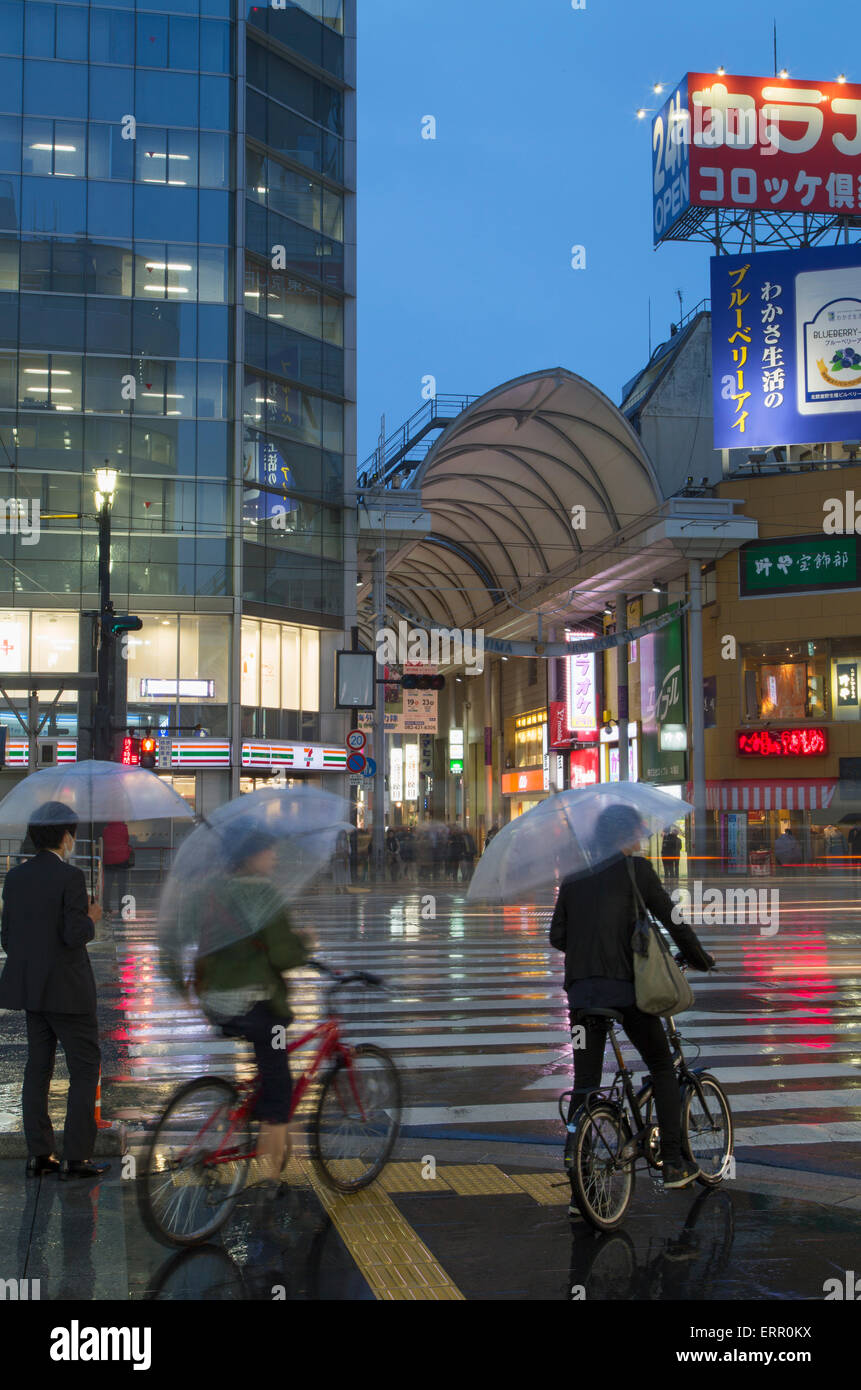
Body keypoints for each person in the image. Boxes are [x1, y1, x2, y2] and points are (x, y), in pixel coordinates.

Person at [550, 804, 715, 1202]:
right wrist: (698, 957)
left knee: (584, 1085)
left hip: (582, 998)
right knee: (661, 1064)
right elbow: (673, 919)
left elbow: (558, 937)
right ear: (625, 835)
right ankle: (674, 1162)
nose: (642, 836)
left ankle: (581, 1190)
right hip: (628, 994)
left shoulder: (573, 877)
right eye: (638, 831)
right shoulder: (637, 871)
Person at [165, 829, 309, 1194]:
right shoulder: (264, 894)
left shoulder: (207, 892)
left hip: (216, 1004)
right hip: (256, 1007)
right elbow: (284, 955)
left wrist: (180, 987)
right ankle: (271, 1180)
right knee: (280, 1086)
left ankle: (251, 1107)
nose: (274, 858)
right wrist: (306, 943)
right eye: (269, 851)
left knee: (265, 1065)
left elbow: (171, 936)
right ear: (253, 855)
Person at [0, 802, 108, 1181]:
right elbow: (73, 935)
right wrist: (91, 918)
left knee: (38, 1067)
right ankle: (76, 1157)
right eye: (73, 834)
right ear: (65, 836)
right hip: (69, 991)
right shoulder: (71, 878)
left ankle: (40, 1154)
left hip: (32, 990)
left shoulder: (14, 878)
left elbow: (8, 938)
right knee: (83, 1068)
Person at [102, 820, 132, 919]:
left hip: (109, 860)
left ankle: (106, 907)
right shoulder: (124, 828)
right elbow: (126, 840)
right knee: (122, 885)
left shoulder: (106, 829)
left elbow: (105, 841)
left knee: (108, 885)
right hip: (122, 860)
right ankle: (122, 906)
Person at [332, 828, 351, 894]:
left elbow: (349, 851)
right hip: (338, 860)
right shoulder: (335, 842)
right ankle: (337, 887)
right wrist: (338, 852)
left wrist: (346, 852)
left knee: (345, 874)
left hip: (345, 860)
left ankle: (344, 887)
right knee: (338, 874)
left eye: (344, 834)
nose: (343, 835)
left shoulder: (347, 842)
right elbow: (333, 851)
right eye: (341, 834)